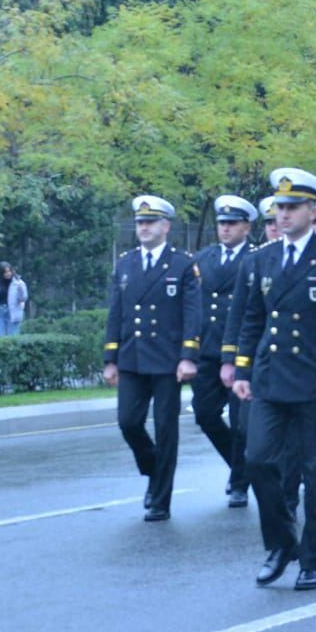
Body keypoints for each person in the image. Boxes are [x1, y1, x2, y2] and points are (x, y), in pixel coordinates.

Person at [232, 168, 316, 591]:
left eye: (292, 207)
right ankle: (282, 542)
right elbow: (252, 318)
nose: (283, 215)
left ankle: (313, 560)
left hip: (315, 382)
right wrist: (241, 370)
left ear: (311, 210)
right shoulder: (262, 259)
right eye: (279, 208)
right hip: (271, 380)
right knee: (257, 460)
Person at [103, 196, 201, 522]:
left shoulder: (182, 265)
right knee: (128, 422)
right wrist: (110, 358)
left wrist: (188, 356)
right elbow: (115, 314)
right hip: (132, 357)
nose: (143, 227)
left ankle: (161, 499)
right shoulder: (126, 264)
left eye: (150, 222)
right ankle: (154, 469)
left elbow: (192, 314)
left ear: (165, 226)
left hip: (167, 361)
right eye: (140, 222)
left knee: (166, 428)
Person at [194, 195, 257, 507]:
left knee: (242, 420)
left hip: (243, 351)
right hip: (208, 349)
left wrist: (237, 355)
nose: (226, 228)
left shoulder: (257, 259)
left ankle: (239, 482)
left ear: (246, 227)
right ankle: (240, 466)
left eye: (232, 223)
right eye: (222, 223)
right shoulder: (203, 258)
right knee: (205, 414)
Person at [0, 261, 28, 335]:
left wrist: (20, 289)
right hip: (0, 311)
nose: (8, 273)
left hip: (12, 311)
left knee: (13, 337)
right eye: (5, 272)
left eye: (9, 271)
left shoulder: (18, 282)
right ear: (1, 273)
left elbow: (23, 298)